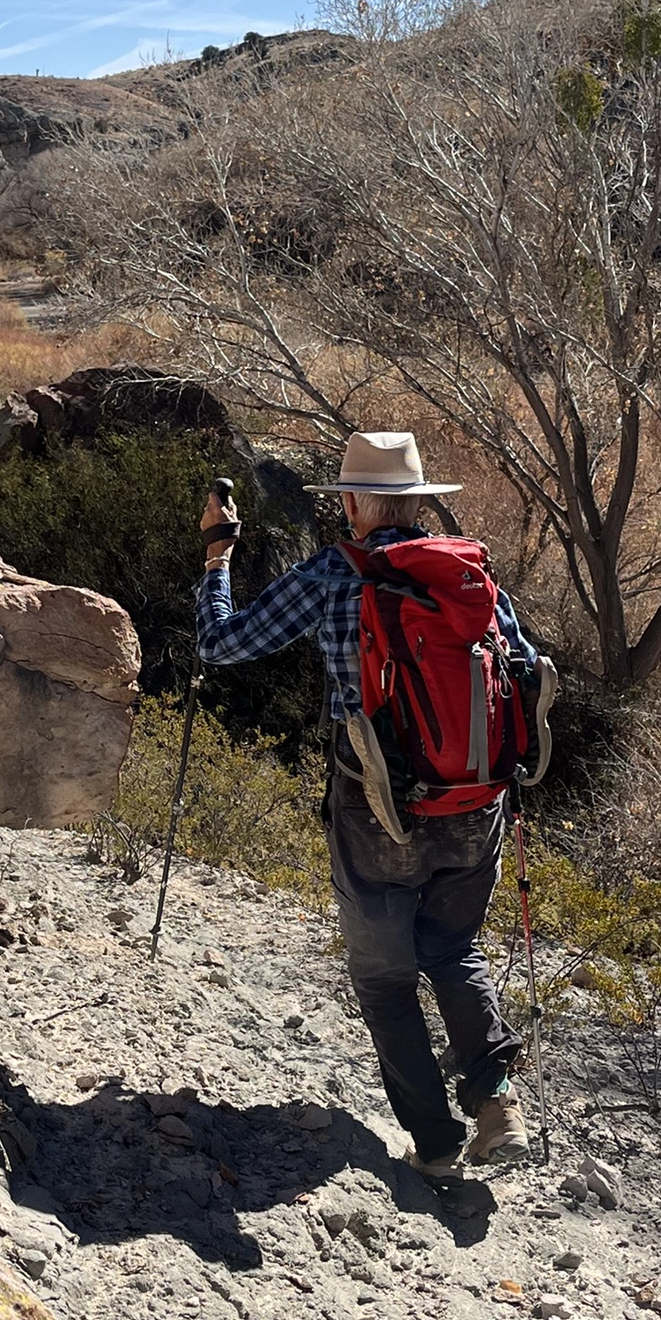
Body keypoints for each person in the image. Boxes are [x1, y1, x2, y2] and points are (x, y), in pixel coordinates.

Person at [197, 430, 538, 1176]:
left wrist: (218, 561)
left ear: (351, 502)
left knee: (384, 980)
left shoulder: (331, 573)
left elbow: (221, 646)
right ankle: (497, 1103)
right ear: (417, 504)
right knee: (453, 949)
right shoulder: (471, 577)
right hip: (475, 805)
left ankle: (438, 1146)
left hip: (375, 808)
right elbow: (521, 668)